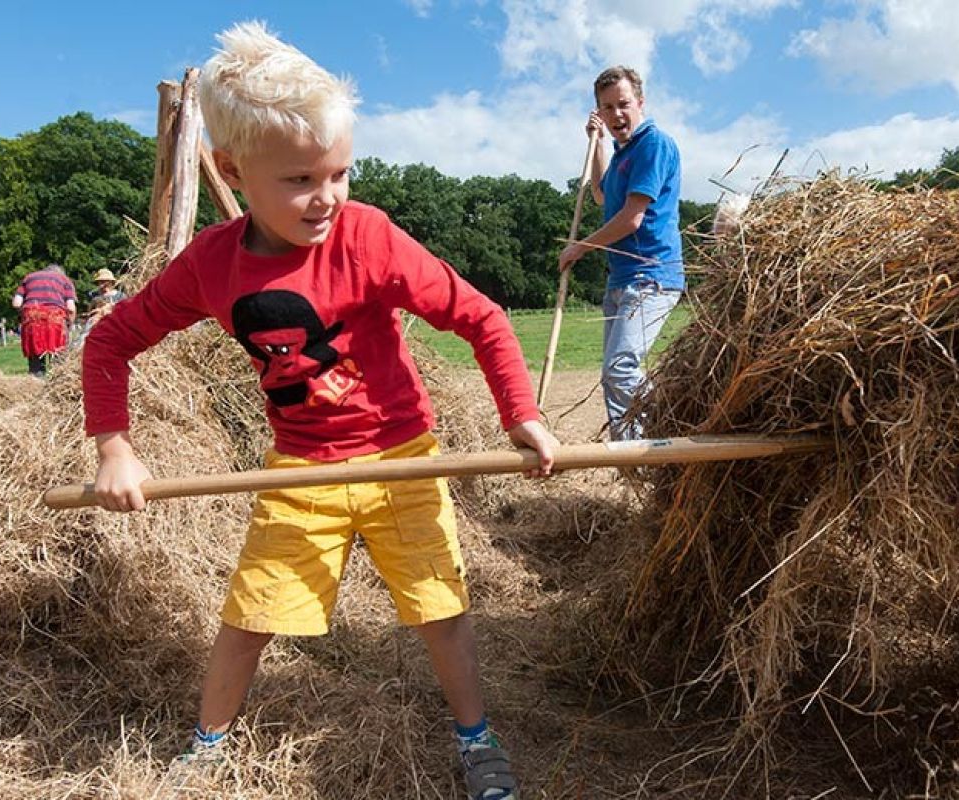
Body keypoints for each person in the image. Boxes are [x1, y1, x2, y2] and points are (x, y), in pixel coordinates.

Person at [82, 21, 556, 800]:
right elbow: (109, 343)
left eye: (339, 172)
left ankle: (476, 741)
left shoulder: (368, 237)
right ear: (234, 170)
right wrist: (113, 448)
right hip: (300, 469)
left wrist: (521, 414)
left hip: (405, 455)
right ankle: (207, 748)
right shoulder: (210, 265)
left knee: (440, 608)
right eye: (300, 180)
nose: (327, 197)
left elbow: (482, 317)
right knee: (250, 613)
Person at [557, 65, 684, 440]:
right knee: (613, 379)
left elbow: (631, 218)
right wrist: (596, 142)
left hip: (652, 276)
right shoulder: (622, 155)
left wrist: (579, 248)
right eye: (607, 107)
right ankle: (632, 460)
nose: (616, 114)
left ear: (640, 102)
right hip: (622, 280)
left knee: (620, 369)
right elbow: (600, 194)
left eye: (623, 104)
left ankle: (677, 415)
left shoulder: (653, 145)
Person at [11, 263, 77, 376]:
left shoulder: (29, 277)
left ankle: (36, 385)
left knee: (35, 364)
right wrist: (70, 324)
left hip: (32, 321)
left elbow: (16, 303)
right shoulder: (64, 280)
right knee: (58, 362)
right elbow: (70, 308)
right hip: (55, 322)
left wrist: (28, 314)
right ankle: (56, 386)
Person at [83, 268, 129, 335]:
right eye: (101, 281)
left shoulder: (121, 296)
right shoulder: (95, 297)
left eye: (106, 281)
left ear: (111, 282)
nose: (104, 284)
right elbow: (89, 314)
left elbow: (126, 313)